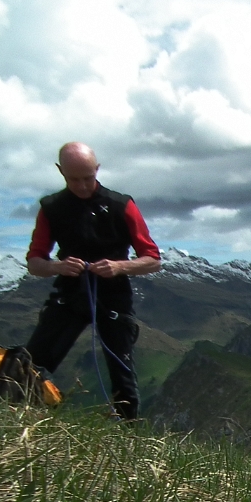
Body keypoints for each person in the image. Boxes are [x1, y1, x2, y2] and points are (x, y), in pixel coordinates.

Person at [25, 142, 161, 421]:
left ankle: (128, 433)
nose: (83, 186)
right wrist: (57, 267)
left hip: (113, 295)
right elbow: (35, 263)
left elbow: (153, 259)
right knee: (32, 364)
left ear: (97, 169)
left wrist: (120, 266)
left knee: (122, 374)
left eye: (88, 177)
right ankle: (28, 419)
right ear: (60, 171)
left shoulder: (121, 205)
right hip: (69, 293)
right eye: (74, 179)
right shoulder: (51, 208)